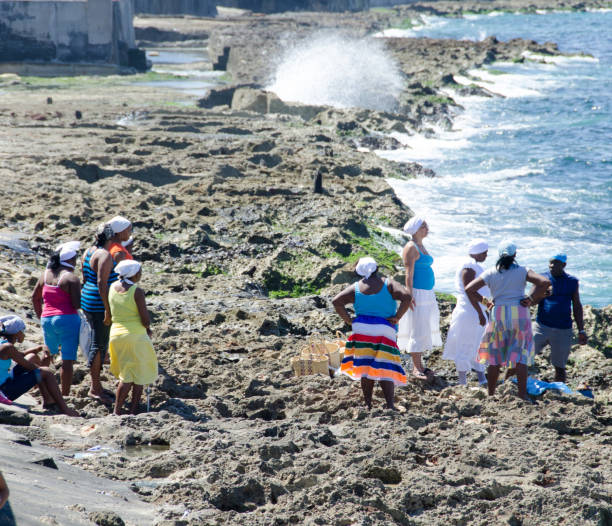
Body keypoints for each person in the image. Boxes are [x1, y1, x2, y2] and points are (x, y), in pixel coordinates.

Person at [465, 241, 550, 401]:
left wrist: (485, 302)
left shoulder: (491, 272)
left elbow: (469, 289)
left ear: (499, 255)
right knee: (520, 356)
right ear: (515, 255)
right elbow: (544, 282)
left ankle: (491, 394)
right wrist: (531, 299)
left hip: (499, 313)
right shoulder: (523, 271)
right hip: (520, 312)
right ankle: (521, 395)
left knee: (494, 357)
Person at [332, 257, 412, 410]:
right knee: (385, 367)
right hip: (384, 330)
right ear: (376, 268)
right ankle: (389, 405)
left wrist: (349, 320)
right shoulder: (388, 284)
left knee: (364, 368)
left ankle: (368, 404)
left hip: (361, 330)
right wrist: (397, 317)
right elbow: (407, 297)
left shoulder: (356, 287)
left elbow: (337, 301)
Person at [0, 315, 78, 416]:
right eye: (23, 331)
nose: (24, 334)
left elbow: (20, 355)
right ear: (17, 333)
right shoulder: (8, 347)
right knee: (46, 372)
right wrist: (45, 369)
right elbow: (30, 366)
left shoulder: (4, 344)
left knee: (32, 357)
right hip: (4, 392)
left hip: (4, 383)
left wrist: (38, 348)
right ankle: (65, 409)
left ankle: (48, 400)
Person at [31, 241, 81, 396]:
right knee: (67, 360)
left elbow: (35, 298)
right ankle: (64, 395)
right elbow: (76, 304)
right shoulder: (71, 279)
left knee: (47, 354)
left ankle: (42, 388)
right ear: (71, 261)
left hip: (47, 318)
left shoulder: (45, 275)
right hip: (67, 319)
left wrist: (41, 316)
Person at [108, 260, 158, 416]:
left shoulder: (112, 287)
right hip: (135, 336)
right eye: (140, 272)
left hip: (116, 334)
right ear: (134, 274)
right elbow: (145, 319)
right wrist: (148, 329)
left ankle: (117, 410)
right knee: (139, 375)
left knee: (125, 373)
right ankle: (133, 409)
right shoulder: (137, 291)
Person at [397, 216, 441, 381]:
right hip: (418, 293)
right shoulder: (411, 247)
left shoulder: (421, 246)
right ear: (415, 230)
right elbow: (408, 273)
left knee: (424, 327)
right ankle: (416, 367)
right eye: (423, 226)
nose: (427, 228)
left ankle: (421, 365)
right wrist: (409, 295)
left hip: (427, 293)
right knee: (418, 327)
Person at [531, 254, 587, 383]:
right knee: (523, 357)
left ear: (563, 265)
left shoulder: (572, 281)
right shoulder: (542, 278)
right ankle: (508, 382)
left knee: (560, 367)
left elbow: (577, 306)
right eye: (550, 262)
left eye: (555, 263)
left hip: (563, 329)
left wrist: (581, 330)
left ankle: (558, 393)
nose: (551, 266)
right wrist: (541, 295)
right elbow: (531, 301)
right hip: (541, 326)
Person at [442, 239, 491, 386]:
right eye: (485, 253)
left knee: (477, 344)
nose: (486, 256)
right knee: (465, 345)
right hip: (469, 311)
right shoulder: (469, 267)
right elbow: (469, 291)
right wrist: (481, 311)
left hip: (474, 310)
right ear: (478, 253)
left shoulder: (473, 266)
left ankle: (482, 378)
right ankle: (463, 382)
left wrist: (486, 307)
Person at [81, 223, 117, 404]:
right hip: (98, 304)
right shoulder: (105, 256)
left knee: (98, 342)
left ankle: (97, 385)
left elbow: (85, 275)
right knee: (99, 345)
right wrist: (108, 310)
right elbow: (103, 284)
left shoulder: (88, 251)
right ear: (112, 238)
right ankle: (95, 388)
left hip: (87, 300)